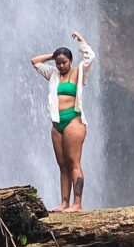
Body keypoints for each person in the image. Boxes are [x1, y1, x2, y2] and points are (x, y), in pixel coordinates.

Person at [30, 31, 95, 212]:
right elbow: (34, 62)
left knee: (74, 163)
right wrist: (53, 55)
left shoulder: (79, 73)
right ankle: (65, 203)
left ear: (71, 61)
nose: (61, 65)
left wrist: (82, 40)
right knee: (63, 166)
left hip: (74, 121)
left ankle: (77, 204)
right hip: (56, 125)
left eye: (64, 62)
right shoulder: (53, 75)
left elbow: (91, 57)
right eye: (58, 63)